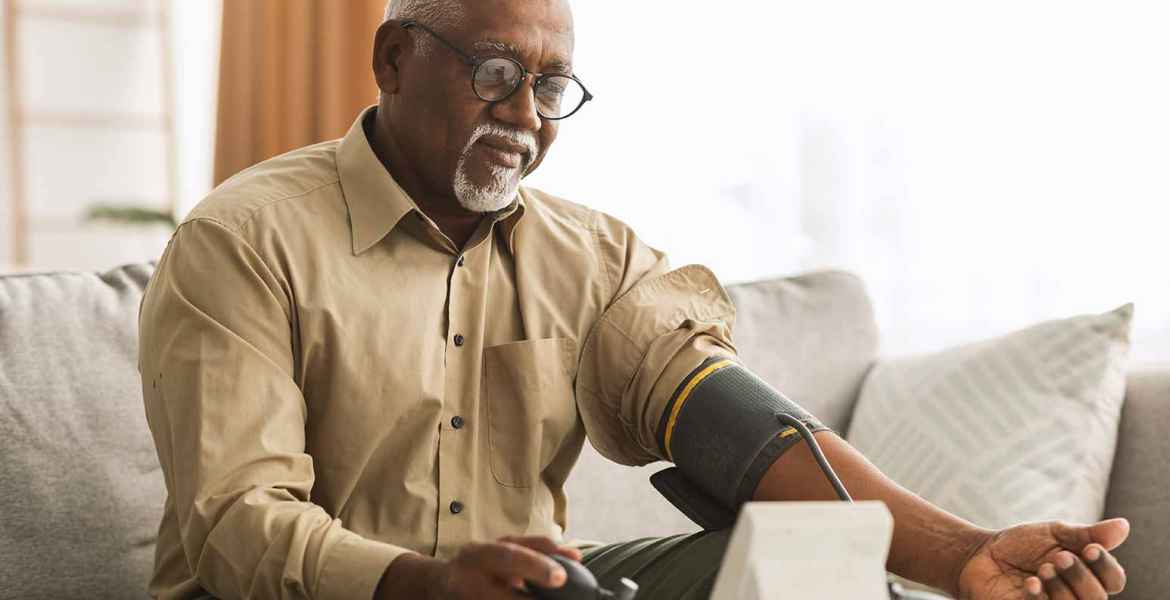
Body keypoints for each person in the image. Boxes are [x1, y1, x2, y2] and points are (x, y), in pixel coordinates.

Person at [138, 1, 1130, 598]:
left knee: (803, 570)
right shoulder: (242, 241)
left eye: (552, 84)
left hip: (534, 590)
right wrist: (431, 585)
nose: (525, 117)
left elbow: (740, 435)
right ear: (394, 59)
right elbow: (240, 528)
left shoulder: (594, 256)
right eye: (494, 73)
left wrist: (964, 557)